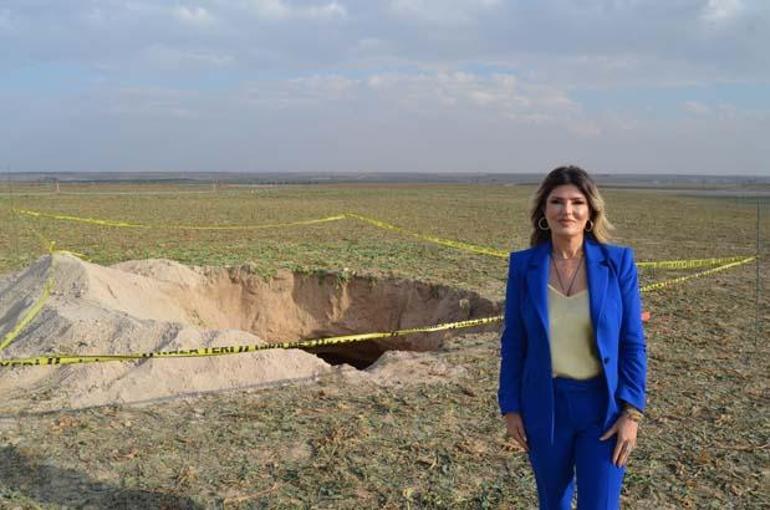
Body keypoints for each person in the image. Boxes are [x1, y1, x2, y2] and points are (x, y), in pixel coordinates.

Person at [498, 165, 646, 509]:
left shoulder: (618, 263)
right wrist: (510, 407)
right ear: (543, 211)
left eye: (577, 202)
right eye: (557, 201)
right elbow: (514, 342)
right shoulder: (523, 266)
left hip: (603, 409)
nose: (567, 210)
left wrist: (632, 412)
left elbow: (632, 342)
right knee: (553, 503)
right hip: (544, 406)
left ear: (591, 212)